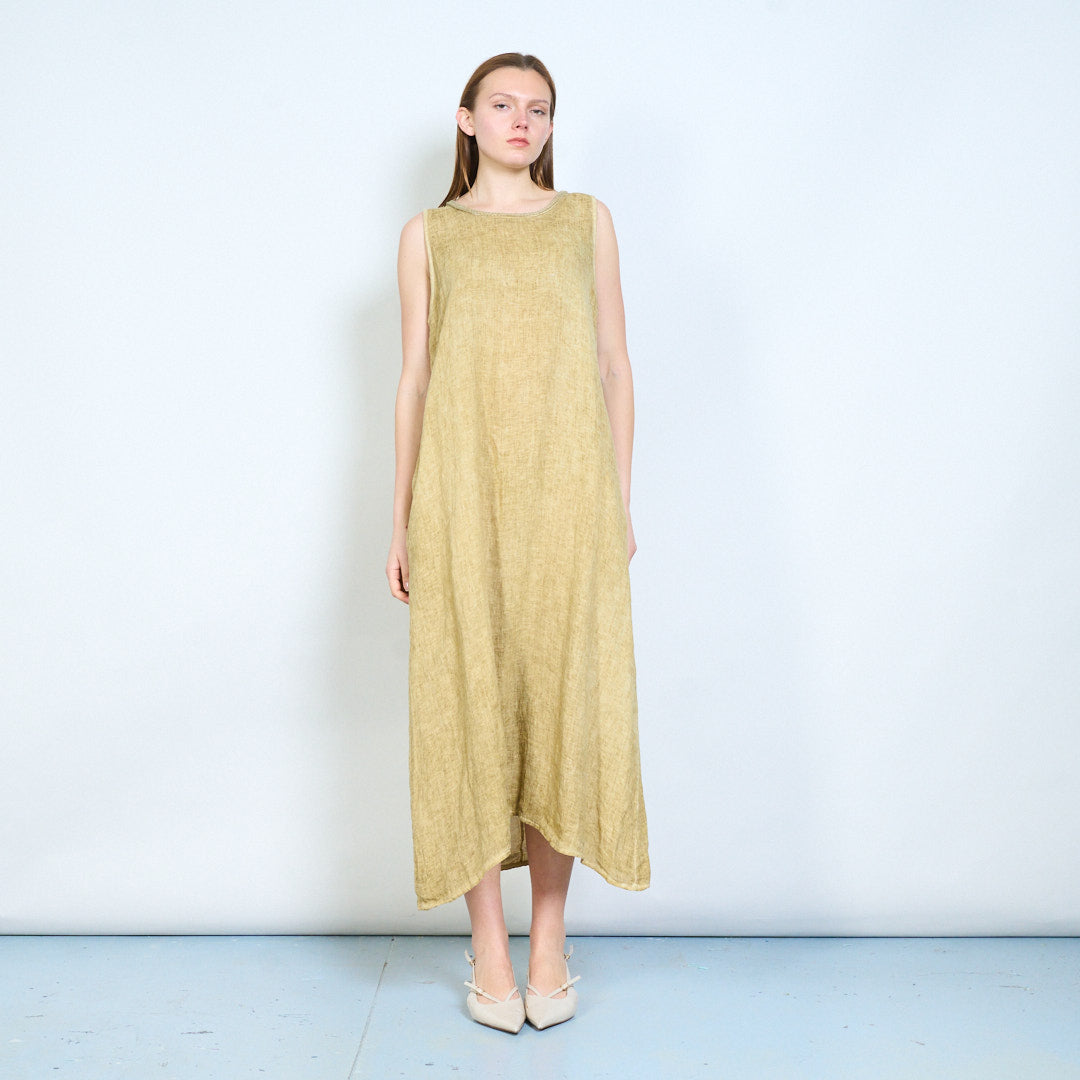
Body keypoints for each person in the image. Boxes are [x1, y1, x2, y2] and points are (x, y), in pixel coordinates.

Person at [386, 52, 649, 1033]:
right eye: (502, 104)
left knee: (560, 705)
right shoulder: (429, 235)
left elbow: (615, 363)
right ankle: (487, 947)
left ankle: (548, 941)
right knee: (466, 705)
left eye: (538, 108)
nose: (521, 121)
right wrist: (401, 516)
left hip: (568, 498)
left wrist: (617, 500)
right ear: (466, 118)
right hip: (462, 497)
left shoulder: (586, 221)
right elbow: (414, 378)